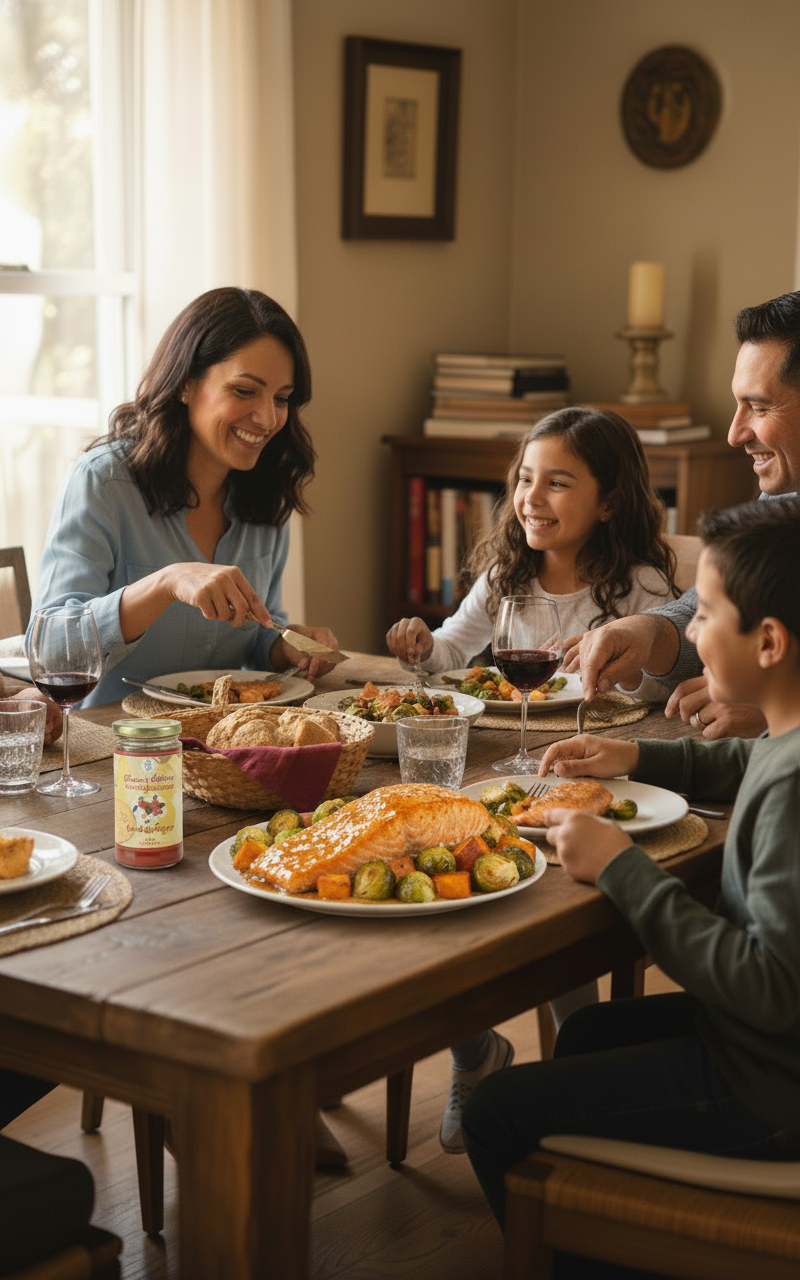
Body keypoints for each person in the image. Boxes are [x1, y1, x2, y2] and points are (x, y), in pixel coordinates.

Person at [462, 497, 800, 1270]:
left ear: (771, 642)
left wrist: (624, 868)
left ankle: (592, 1254)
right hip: (766, 1051)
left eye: (707, 614)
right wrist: (635, 758)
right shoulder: (788, 738)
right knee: (584, 1036)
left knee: (494, 1113)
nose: (689, 632)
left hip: (768, 1085)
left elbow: (773, 988)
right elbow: (747, 760)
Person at [386, 406, 679, 1155]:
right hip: (501, 766)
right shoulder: (507, 577)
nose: (532, 498)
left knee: (557, 917)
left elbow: (654, 692)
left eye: (557, 483)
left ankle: (573, 1072)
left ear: (608, 502)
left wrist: (622, 663)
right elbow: (453, 654)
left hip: (584, 771)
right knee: (441, 892)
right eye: (524, 479)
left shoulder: (638, 584)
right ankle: (474, 1054)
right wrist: (423, 647)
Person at [27, 287, 339, 706]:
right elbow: (52, 653)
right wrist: (166, 583)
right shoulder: (103, 483)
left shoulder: (267, 495)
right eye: (245, 391)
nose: (267, 418)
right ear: (186, 385)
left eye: (282, 399)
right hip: (113, 749)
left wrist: (284, 646)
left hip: (219, 748)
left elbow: (252, 638)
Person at [575, 289, 800, 742]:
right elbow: (707, 609)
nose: (736, 434)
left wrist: (779, 709)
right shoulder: (780, 505)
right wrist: (646, 632)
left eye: (758, 407)